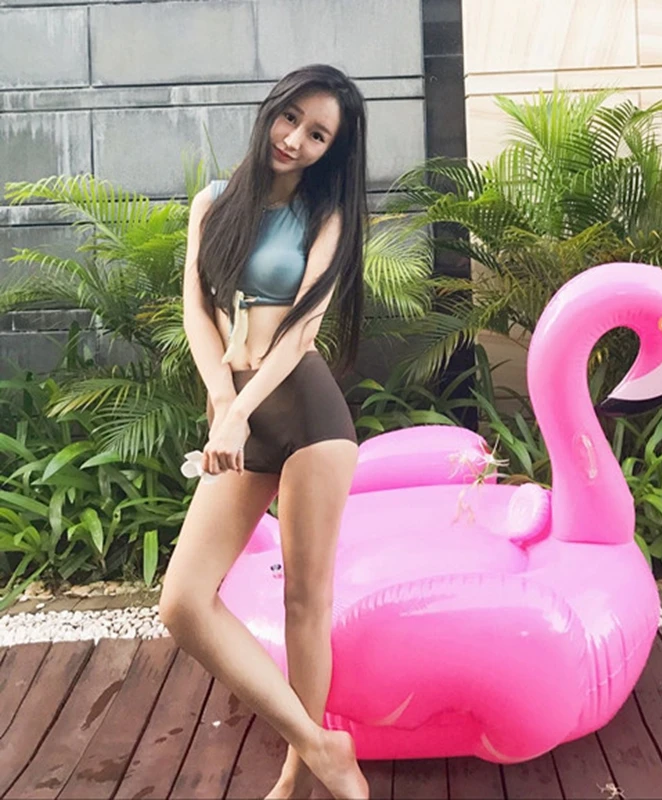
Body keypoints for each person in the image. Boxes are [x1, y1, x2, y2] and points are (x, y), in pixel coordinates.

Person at [159, 64, 370, 800]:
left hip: (305, 412)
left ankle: (296, 782)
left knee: (304, 603)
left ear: (332, 150)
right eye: (291, 118)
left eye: (318, 135)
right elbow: (195, 308)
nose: (296, 140)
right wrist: (223, 398)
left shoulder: (327, 214)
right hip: (239, 408)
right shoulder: (212, 203)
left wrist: (241, 411)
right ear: (271, 110)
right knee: (183, 602)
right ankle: (320, 746)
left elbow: (303, 332)